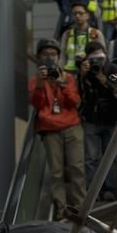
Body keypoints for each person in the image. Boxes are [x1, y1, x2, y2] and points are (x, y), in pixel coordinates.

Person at [30, 38, 87, 218]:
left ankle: (81, 208)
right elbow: (37, 104)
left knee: (76, 168)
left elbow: (75, 101)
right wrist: (40, 84)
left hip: (71, 126)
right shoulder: (36, 79)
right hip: (49, 129)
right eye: (45, 54)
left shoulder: (68, 77)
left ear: (58, 56)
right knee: (56, 172)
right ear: (39, 57)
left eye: (53, 54)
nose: (49, 57)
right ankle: (62, 210)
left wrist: (62, 83)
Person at [79, 41, 117, 200]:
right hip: (91, 119)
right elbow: (80, 94)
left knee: (109, 156)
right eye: (94, 59)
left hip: (110, 119)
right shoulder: (85, 71)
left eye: (100, 57)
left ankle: (109, 189)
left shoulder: (114, 69)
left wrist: (104, 80)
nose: (97, 62)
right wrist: (82, 76)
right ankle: (92, 191)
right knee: (91, 158)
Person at [61, 2, 106, 74]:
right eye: (74, 14)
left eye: (80, 13)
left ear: (87, 15)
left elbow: (103, 56)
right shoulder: (67, 34)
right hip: (70, 73)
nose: (77, 16)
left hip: (90, 72)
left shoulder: (96, 34)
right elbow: (62, 56)